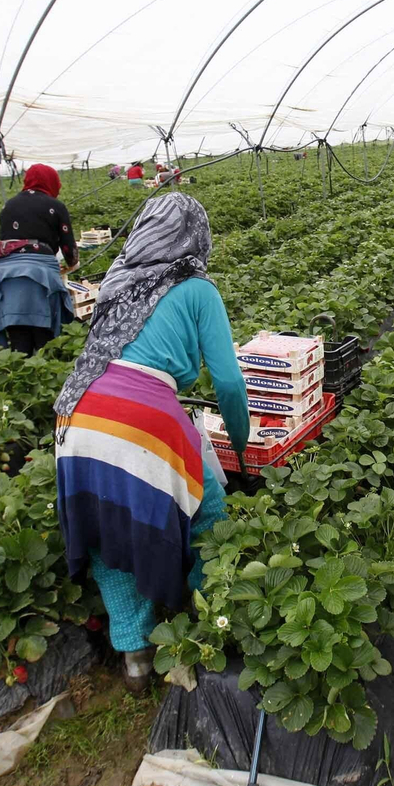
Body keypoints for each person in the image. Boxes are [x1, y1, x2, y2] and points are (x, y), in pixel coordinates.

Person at [52, 192, 249, 693]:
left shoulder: (118, 279)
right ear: (197, 237)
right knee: (208, 514)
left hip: (76, 412)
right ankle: (211, 625)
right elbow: (228, 382)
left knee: (105, 525)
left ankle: (135, 656)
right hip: (142, 412)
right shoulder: (197, 288)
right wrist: (241, 447)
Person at [0, 163, 77, 355]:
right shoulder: (55, 206)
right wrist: (72, 263)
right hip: (38, 274)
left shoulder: (8, 205)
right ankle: (44, 366)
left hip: (5, 275)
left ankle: (22, 364)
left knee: (17, 332)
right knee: (45, 336)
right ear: (52, 182)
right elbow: (68, 247)